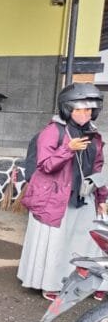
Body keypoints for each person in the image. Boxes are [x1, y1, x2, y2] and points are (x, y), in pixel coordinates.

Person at [17, 82, 108, 301]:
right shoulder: (52, 131)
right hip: (55, 197)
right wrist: (68, 149)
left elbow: (97, 167)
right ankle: (50, 283)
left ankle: (92, 281)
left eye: (89, 110)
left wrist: (102, 198)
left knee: (88, 239)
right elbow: (46, 165)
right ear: (68, 108)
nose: (85, 114)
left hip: (84, 195)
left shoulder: (94, 135)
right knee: (56, 243)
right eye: (80, 109)